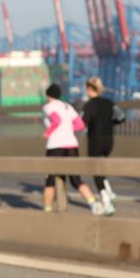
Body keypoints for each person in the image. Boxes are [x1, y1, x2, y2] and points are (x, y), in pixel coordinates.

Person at [42, 84, 103, 215]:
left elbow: (56, 120)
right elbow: (80, 125)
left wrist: (48, 132)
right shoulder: (67, 106)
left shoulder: (48, 106)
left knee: (50, 180)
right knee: (75, 179)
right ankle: (93, 203)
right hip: (72, 145)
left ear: (48, 95)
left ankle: (47, 211)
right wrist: (68, 130)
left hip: (55, 145)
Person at [81, 76, 124, 216]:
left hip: (95, 140)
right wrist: (110, 123)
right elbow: (121, 117)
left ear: (89, 88)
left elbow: (82, 123)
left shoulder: (89, 105)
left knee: (95, 170)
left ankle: (107, 202)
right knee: (101, 168)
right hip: (109, 141)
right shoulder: (109, 103)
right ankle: (110, 192)